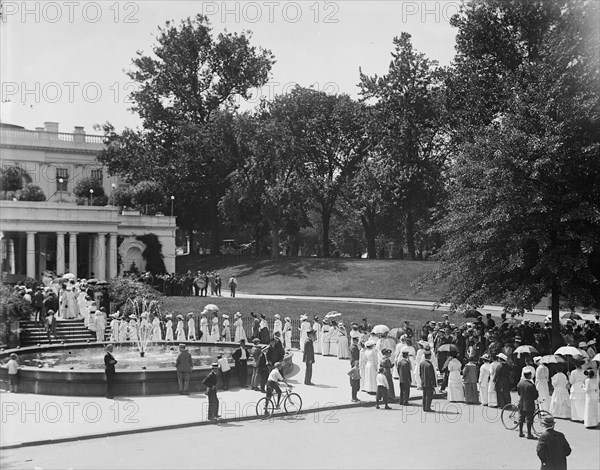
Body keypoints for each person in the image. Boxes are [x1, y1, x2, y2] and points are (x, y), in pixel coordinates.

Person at [517, 370, 539, 439]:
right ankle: (529, 434)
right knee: (529, 419)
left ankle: (521, 432)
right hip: (529, 404)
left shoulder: (520, 383)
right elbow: (535, 396)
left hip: (522, 403)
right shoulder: (531, 385)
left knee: (521, 418)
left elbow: (519, 393)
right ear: (530, 376)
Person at [420, 347, 437, 412]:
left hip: (423, 381)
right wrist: (434, 384)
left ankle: (424, 407)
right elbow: (431, 376)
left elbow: (420, 373)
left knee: (424, 395)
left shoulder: (422, 363)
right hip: (429, 382)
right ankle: (428, 407)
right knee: (429, 395)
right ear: (429, 356)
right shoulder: (430, 365)